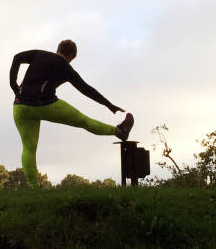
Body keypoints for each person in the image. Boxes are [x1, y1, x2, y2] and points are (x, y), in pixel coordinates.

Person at [9, 39, 134, 189]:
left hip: (20, 106)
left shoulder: (39, 54)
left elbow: (17, 57)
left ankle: (34, 189)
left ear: (58, 49)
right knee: (84, 121)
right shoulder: (65, 67)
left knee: (28, 147)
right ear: (72, 55)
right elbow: (86, 89)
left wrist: (14, 85)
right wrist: (109, 105)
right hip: (45, 104)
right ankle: (120, 131)